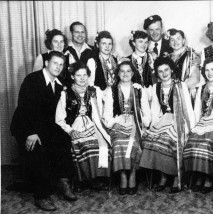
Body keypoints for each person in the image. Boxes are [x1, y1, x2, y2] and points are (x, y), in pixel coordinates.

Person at [10, 51, 77, 211]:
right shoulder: (33, 80)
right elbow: (25, 109)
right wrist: (31, 133)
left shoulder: (59, 84)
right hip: (26, 127)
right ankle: (41, 196)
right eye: (55, 63)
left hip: (44, 127)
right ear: (46, 63)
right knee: (38, 151)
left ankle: (63, 181)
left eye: (61, 65)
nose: (58, 67)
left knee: (64, 139)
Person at [139, 57, 195, 193]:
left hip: (179, 120)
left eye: (166, 70)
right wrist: (152, 126)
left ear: (171, 70)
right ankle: (163, 176)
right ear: (157, 74)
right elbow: (155, 110)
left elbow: (188, 108)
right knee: (152, 138)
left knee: (168, 140)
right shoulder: (156, 87)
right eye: (160, 71)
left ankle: (176, 177)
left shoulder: (180, 85)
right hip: (164, 119)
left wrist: (189, 129)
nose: (164, 74)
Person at [55, 62, 111, 192]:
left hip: (92, 124)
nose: (82, 78)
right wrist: (70, 131)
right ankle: (82, 180)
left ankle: (96, 179)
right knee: (83, 145)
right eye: (78, 75)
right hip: (74, 126)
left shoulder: (94, 90)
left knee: (101, 145)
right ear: (73, 76)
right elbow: (59, 119)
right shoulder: (66, 93)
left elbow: (101, 111)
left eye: (85, 75)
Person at [102, 60, 151, 195]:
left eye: (128, 71)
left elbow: (146, 112)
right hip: (118, 123)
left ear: (133, 73)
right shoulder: (111, 90)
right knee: (118, 143)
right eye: (122, 71)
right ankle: (123, 174)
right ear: (118, 73)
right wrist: (113, 123)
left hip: (135, 123)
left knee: (135, 143)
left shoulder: (139, 89)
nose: (125, 74)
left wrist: (143, 123)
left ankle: (133, 173)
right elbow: (107, 114)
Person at [183, 58, 213, 194]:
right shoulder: (202, 88)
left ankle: (209, 178)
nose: (210, 72)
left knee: (206, 143)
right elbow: (197, 111)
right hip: (204, 121)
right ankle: (199, 175)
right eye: (207, 70)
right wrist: (193, 127)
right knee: (191, 142)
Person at [166, 28, 200, 103]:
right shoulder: (167, 58)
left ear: (183, 40)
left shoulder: (191, 55)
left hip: (186, 94)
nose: (175, 42)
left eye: (178, 39)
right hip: (169, 94)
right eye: (172, 40)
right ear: (169, 43)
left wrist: (179, 90)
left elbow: (195, 78)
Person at [127, 30, 153, 102]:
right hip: (135, 97)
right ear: (134, 43)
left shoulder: (152, 58)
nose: (144, 45)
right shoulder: (126, 60)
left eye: (146, 42)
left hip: (152, 96)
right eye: (140, 41)